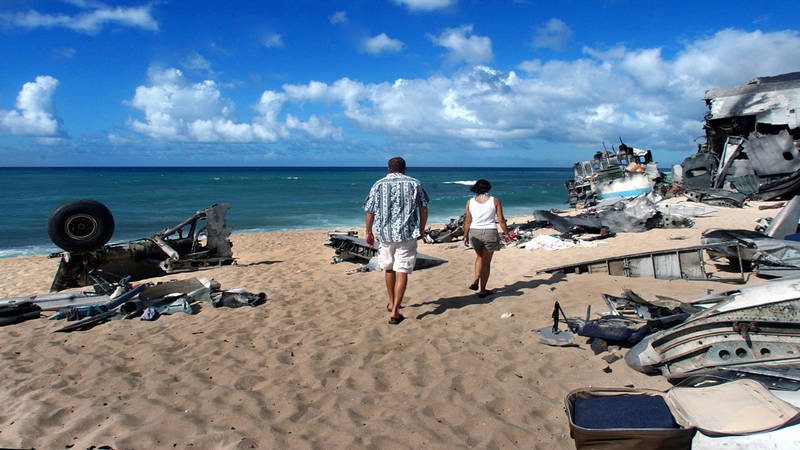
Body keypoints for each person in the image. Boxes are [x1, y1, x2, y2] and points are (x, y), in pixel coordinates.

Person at [364, 157, 429, 325]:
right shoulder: (414, 183)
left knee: (389, 268)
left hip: (385, 235)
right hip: (407, 233)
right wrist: (422, 229)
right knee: (402, 269)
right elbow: (423, 208)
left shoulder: (378, 184)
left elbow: (370, 211)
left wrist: (368, 232)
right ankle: (395, 311)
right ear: (404, 169)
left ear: (388, 169)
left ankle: (392, 302)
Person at [462, 179, 510, 298]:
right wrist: (507, 234)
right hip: (490, 232)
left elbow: (468, 221)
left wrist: (465, 235)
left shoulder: (470, 202)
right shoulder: (495, 200)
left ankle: (476, 279)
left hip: (474, 232)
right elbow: (501, 219)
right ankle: (482, 290)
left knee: (479, 256)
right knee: (486, 263)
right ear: (488, 188)